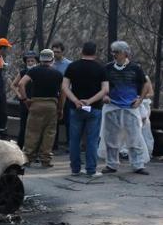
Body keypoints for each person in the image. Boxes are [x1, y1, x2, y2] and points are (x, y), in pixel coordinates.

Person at [99, 40, 150, 175]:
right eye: (113, 52)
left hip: (130, 107)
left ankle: (138, 165)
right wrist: (104, 95)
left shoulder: (135, 68)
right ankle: (111, 164)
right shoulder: (107, 68)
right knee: (111, 138)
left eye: (117, 52)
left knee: (134, 137)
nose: (114, 55)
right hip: (112, 106)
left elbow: (145, 85)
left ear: (125, 53)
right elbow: (102, 85)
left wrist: (140, 99)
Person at [62, 41, 108, 177]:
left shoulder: (72, 66)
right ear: (95, 53)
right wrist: (89, 101)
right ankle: (91, 170)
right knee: (92, 140)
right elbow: (105, 89)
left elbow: (64, 87)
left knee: (74, 140)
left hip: (75, 108)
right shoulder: (101, 68)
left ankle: (75, 169)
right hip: (94, 108)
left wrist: (76, 100)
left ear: (82, 51)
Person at [18, 49, 64, 167]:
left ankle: (27, 157)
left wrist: (25, 99)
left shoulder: (34, 71)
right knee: (49, 133)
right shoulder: (58, 74)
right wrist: (60, 108)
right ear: (52, 60)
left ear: (41, 60)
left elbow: (21, 84)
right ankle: (45, 160)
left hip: (36, 104)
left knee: (32, 131)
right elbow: (63, 92)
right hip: (51, 105)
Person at [11, 51, 38, 148]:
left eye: (32, 61)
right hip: (24, 101)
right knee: (23, 125)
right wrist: (19, 94)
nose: (30, 63)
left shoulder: (38, 72)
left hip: (35, 101)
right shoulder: (23, 72)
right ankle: (20, 146)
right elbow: (13, 85)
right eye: (28, 61)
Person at [51, 40, 72, 151]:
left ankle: (70, 144)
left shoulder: (68, 64)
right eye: (54, 52)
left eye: (58, 52)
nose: (56, 54)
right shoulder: (50, 64)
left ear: (62, 52)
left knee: (69, 120)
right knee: (54, 121)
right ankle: (54, 145)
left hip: (67, 95)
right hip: (54, 95)